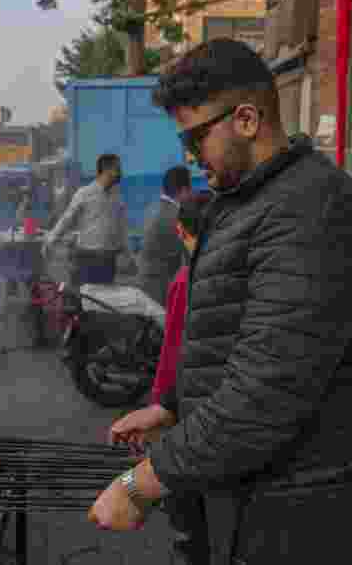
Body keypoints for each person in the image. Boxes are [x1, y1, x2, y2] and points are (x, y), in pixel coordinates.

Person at [91, 39, 352, 565]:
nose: (188, 156)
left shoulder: (312, 212)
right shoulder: (250, 200)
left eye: (194, 138)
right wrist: (176, 409)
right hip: (257, 478)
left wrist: (142, 483)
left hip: (301, 491)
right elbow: (233, 333)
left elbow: (266, 392)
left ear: (247, 119)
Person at [144, 190, 212, 565]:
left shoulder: (186, 280)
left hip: (191, 412)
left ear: (181, 232)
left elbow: (172, 355)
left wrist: (158, 406)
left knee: (189, 515)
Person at [44, 154, 136, 286]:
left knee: (104, 300)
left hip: (108, 261)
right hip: (87, 258)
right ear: (106, 169)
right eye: (117, 169)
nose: (120, 173)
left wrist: (129, 255)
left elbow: (121, 228)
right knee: (85, 299)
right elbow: (67, 219)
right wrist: (51, 239)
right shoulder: (85, 193)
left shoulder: (117, 197)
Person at [138, 166, 192, 306]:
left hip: (144, 283)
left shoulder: (152, 208)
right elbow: (191, 254)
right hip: (161, 288)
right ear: (184, 190)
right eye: (190, 190)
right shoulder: (177, 216)